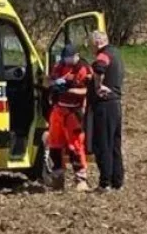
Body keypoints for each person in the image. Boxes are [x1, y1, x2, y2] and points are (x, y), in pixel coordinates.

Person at [47, 44, 92, 190]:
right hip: (58, 109)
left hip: (74, 112)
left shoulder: (83, 69)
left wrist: (70, 89)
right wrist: (54, 84)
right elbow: (50, 80)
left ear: (76, 55)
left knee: (75, 146)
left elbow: (88, 91)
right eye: (64, 58)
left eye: (69, 58)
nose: (66, 61)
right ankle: (57, 177)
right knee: (54, 144)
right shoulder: (59, 66)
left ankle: (81, 179)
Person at [88, 29, 124, 192]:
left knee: (103, 144)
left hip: (104, 105)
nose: (91, 49)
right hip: (116, 104)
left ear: (97, 42)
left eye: (91, 45)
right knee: (115, 144)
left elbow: (100, 68)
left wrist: (97, 86)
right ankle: (117, 180)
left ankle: (105, 182)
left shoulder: (103, 55)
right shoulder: (116, 54)